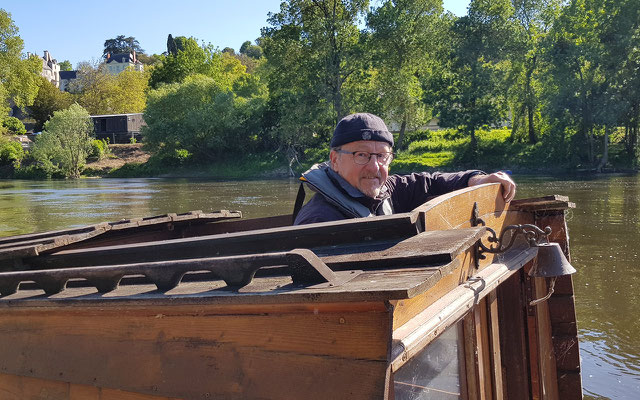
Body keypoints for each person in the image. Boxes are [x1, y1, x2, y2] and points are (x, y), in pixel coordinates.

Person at [293, 113, 516, 225]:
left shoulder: (386, 190)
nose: (374, 166)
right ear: (334, 160)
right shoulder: (318, 220)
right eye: (361, 155)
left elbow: (430, 182)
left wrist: (476, 179)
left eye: (382, 156)